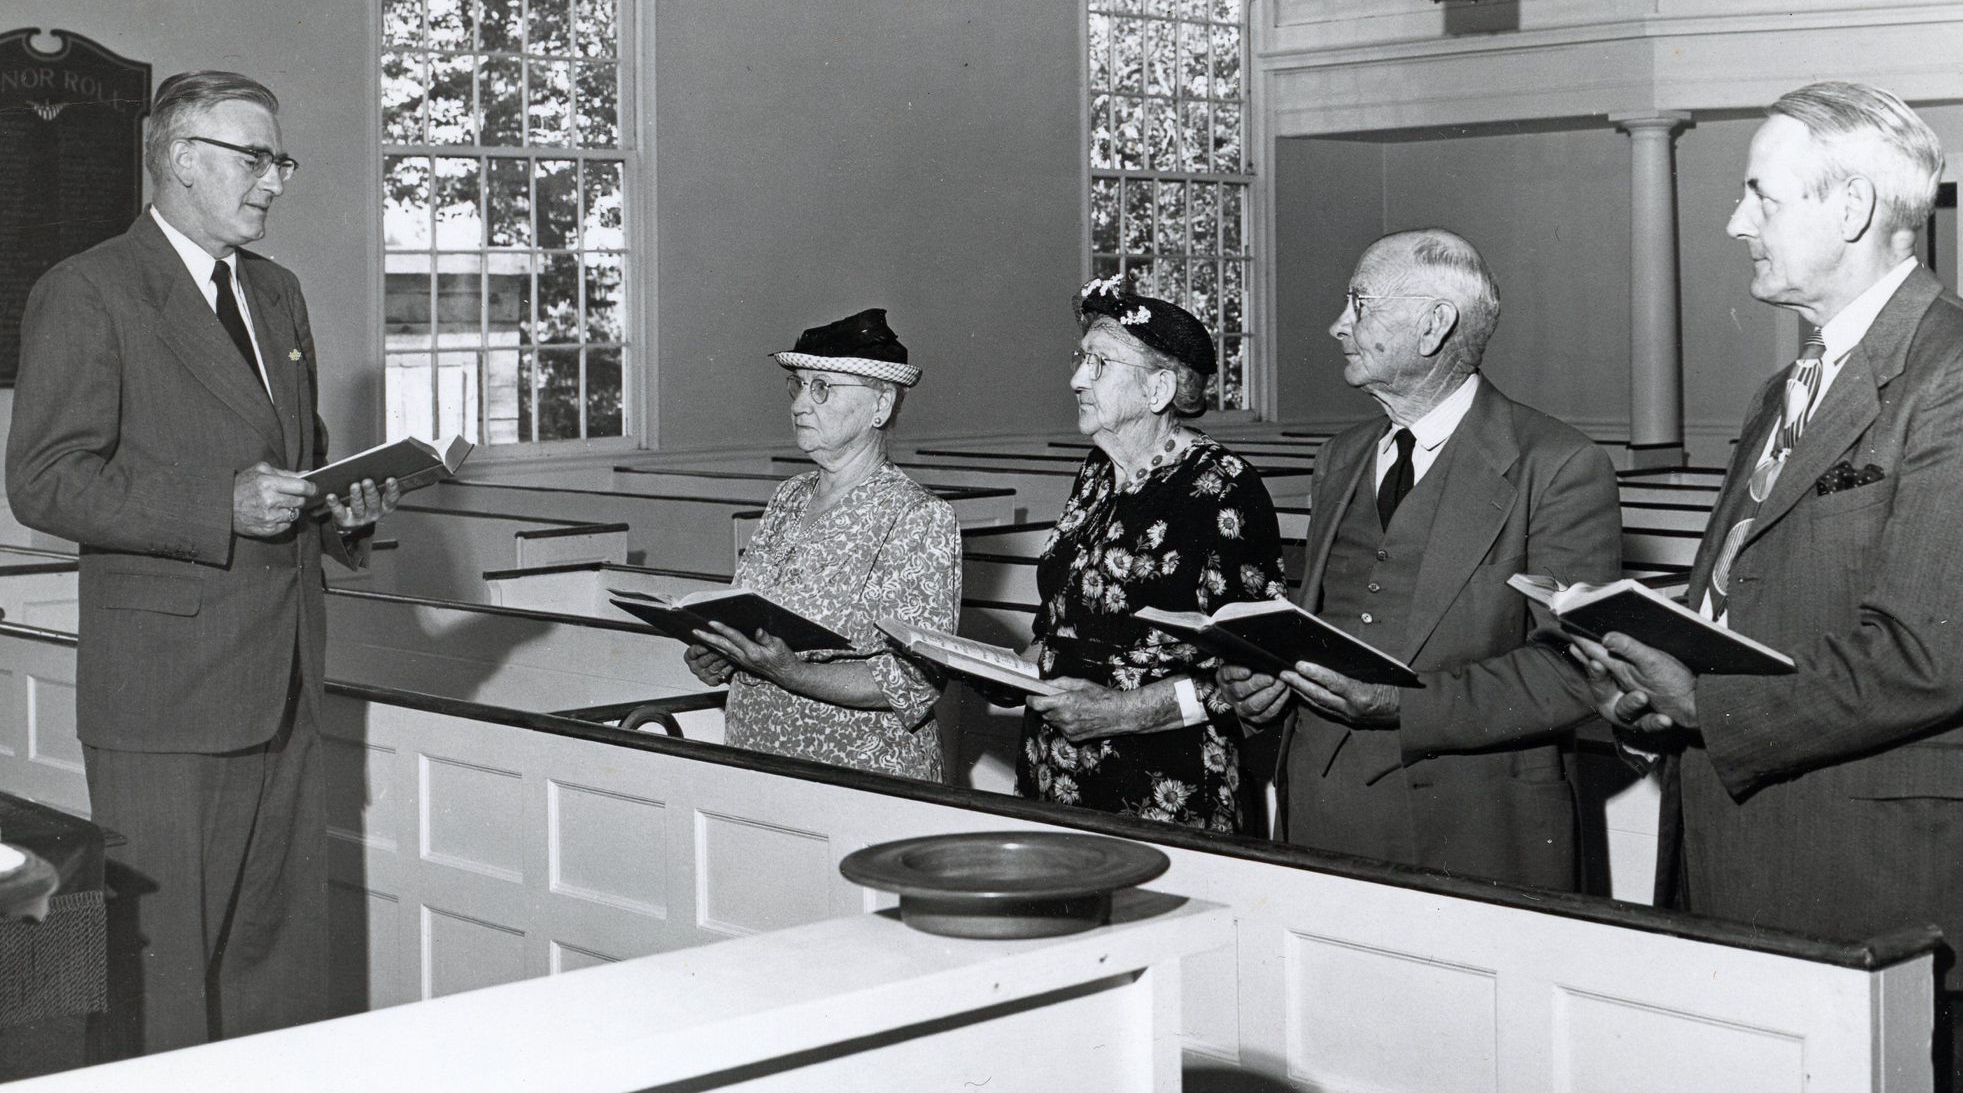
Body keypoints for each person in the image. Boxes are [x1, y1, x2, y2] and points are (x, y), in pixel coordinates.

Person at [1568, 81, 1963, 1093]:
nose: (1736, 221)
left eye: (1760, 195)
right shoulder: (1786, 388)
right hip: (1739, 848)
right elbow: (1739, 604)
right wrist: (1646, 685)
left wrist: (1706, 699)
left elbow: (1927, 653)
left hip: (1873, 874)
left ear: (1849, 208)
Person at [5, 70, 395, 1057]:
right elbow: (45, 481)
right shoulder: (90, 290)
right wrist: (216, 506)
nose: (274, 183)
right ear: (181, 158)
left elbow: (294, 461)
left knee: (276, 964)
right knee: (161, 975)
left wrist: (341, 512)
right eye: (254, 159)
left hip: (286, 678)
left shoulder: (277, 292)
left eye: (281, 162)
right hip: (167, 694)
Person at [1218, 230, 1620, 889]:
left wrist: (1399, 704)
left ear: (1434, 325)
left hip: (1470, 823)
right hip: (1318, 810)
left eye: (1359, 304)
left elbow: (1576, 672)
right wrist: (1261, 680)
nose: (1338, 325)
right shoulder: (1340, 458)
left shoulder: (1556, 465)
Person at [1016, 277, 1285, 831]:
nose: (1076, 379)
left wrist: (1121, 712)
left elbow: (1255, 673)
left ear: (1159, 388)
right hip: (1055, 766)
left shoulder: (1224, 487)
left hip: (1164, 782)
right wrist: (999, 667)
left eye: (1099, 364)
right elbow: (1067, 620)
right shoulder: (1097, 471)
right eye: (1081, 359)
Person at [680, 309, 962, 783]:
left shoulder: (918, 515)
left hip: (860, 771)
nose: (799, 404)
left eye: (823, 387)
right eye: (797, 384)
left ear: (881, 405)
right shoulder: (788, 496)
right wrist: (723, 653)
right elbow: (751, 615)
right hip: (757, 753)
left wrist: (792, 673)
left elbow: (916, 679)